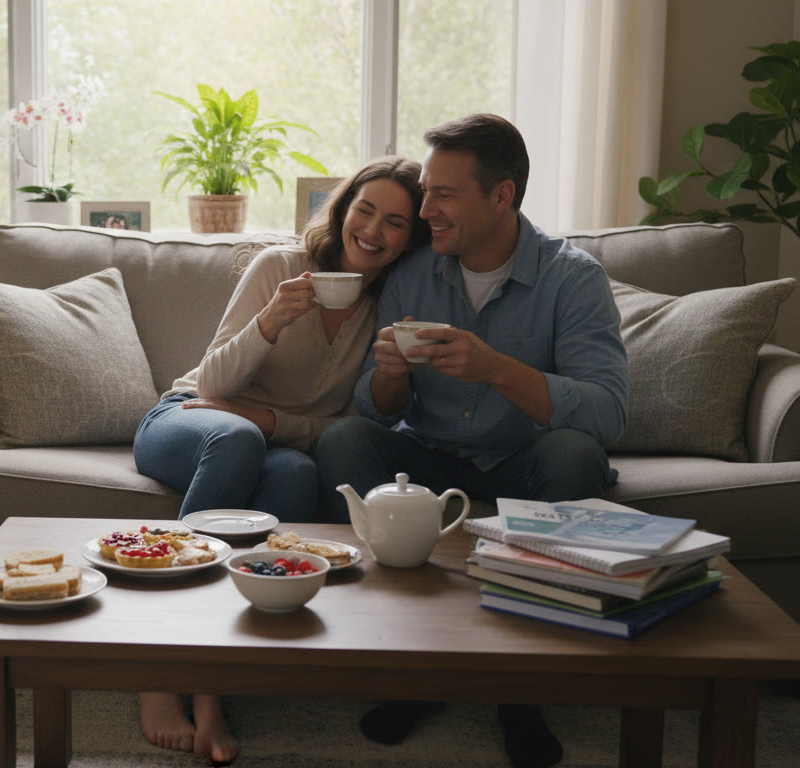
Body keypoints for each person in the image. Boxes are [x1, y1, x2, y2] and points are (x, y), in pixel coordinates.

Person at [316, 114, 628, 768]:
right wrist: (391, 375)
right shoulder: (414, 272)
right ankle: (414, 670)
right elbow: (375, 407)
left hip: (523, 462)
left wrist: (496, 369)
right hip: (428, 459)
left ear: (501, 196)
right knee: (345, 441)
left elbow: (606, 415)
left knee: (575, 455)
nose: (425, 209)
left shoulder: (573, 279)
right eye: (426, 191)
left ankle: (522, 694)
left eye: (443, 194)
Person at [132, 156, 430, 765]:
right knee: (238, 439)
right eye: (365, 210)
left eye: (395, 222)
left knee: (297, 473)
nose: (373, 230)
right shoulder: (280, 266)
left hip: (278, 444)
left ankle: (215, 681)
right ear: (344, 211)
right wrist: (269, 322)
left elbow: (352, 427)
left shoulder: (389, 306)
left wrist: (271, 421)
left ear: (410, 239)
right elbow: (211, 384)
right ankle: (156, 665)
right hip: (189, 419)